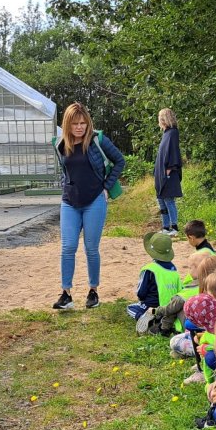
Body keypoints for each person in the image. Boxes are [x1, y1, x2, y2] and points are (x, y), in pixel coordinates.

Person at [53, 102, 124, 311]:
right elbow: (66, 171)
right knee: (68, 247)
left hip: (94, 201)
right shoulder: (60, 143)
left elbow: (119, 161)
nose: (80, 127)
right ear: (68, 124)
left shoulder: (97, 140)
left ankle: (93, 291)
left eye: (83, 123)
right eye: (75, 123)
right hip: (69, 202)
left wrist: (106, 187)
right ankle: (66, 294)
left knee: (91, 248)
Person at [128, 231, 181, 323]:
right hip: (170, 307)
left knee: (130, 308)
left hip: (151, 305)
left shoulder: (149, 269)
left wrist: (142, 301)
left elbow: (141, 293)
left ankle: (145, 319)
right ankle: (160, 318)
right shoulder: (174, 269)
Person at [154, 108, 183, 235]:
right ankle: (166, 227)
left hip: (169, 173)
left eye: (160, 117)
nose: (159, 120)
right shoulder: (166, 133)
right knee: (161, 200)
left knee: (169, 200)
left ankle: (174, 228)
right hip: (160, 174)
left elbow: (173, 153)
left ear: (164, 118)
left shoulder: (173, 133)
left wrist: (168, 171)